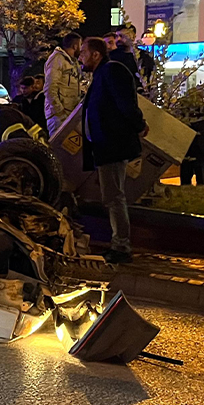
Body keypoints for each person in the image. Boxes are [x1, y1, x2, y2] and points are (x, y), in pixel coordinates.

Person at [80, 36, 147, 265]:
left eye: (83, 52)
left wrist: (139, 125)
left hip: (112, 145)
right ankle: (119, 243)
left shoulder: (111, 71)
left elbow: (127, 104)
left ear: (95, 54)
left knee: (114, 197)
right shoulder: (102, 74)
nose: (80, 57)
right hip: (104, 145)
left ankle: (121, 247)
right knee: (112, 196)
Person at [45, 32, 83, 136]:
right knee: (58, 148)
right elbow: (50, 87)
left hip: (70, 115)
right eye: (80, 45)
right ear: (75, 46)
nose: (82, 48)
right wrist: (59, 112)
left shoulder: (73, 62)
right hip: (60, 117)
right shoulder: (57, 59)